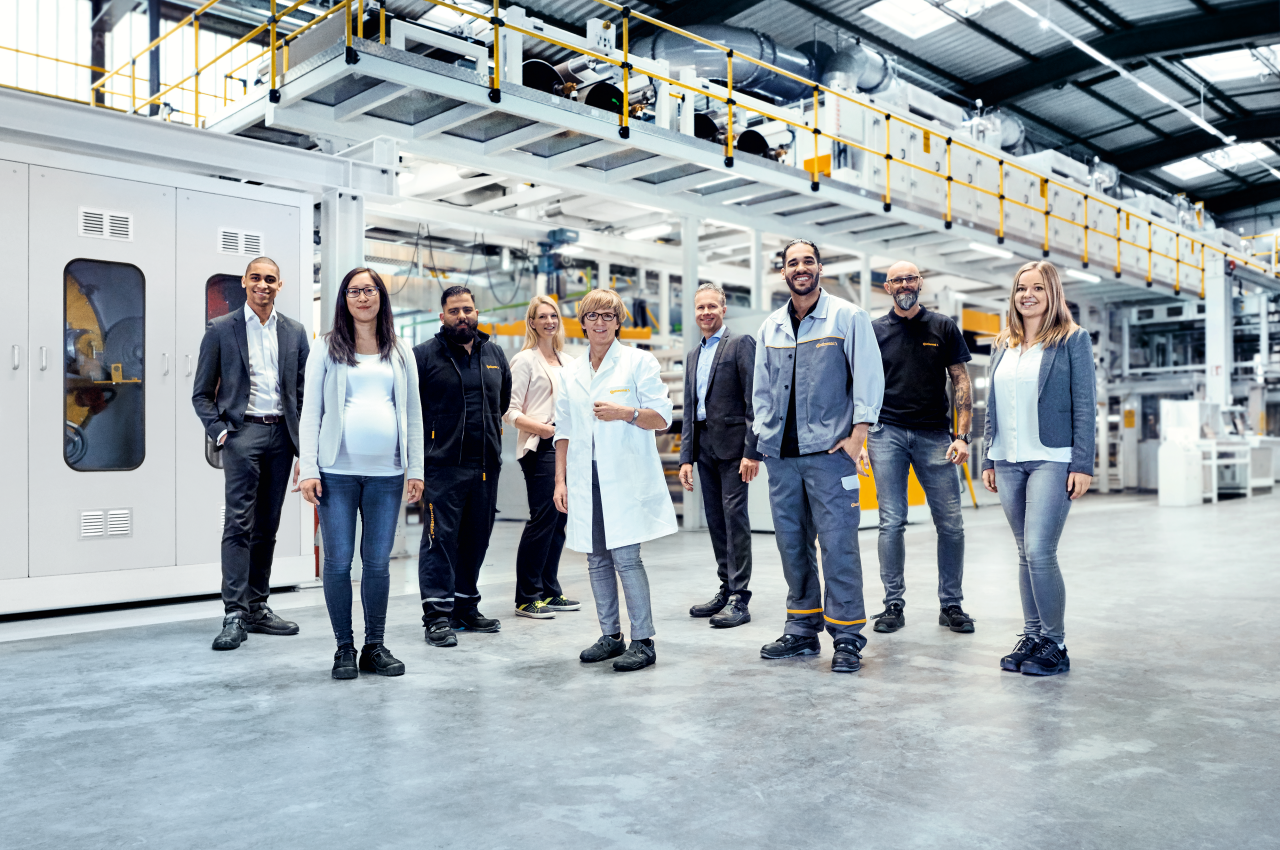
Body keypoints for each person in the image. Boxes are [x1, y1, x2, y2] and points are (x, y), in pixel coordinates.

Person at [752, 239, 884, 674]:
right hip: (782, 458)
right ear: (784, 273)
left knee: (838, 545)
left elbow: (869, 377)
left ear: (820, 268)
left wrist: (858, 435)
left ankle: (846, 636)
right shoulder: (771, 326)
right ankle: (802, 628)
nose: (801, 268)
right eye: (793, 263)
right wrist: (765, 440)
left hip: (830, 454)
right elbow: (761, 392)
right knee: (792, 545)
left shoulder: (847, 317)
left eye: (808, 260)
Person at [297, 268, 424, 679]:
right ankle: (343, 648)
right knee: (336, 563)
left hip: (387, 474)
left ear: (381, 297)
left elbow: (414, 415)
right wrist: (309, 468)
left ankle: (375, 645)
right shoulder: (327, 347)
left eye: (369, 290)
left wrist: (415, 469)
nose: (362, 297)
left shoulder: (400, 350)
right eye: (354, 291)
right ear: (344, 299)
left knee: (378, 565)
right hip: (336, 472)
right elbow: (310, 411)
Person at [980, 261, 1095, 677]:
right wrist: (989, 456)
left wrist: (1083, 464)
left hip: (1052, 456)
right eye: (1020, 289)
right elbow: (991, 404)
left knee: (1039, 551)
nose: (1027, 295)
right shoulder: (1003, 343)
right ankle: (1032, 635)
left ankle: (1055, 643)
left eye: (1037, 289)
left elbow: (1085, 405)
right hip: (1008, 459)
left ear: (1053, 294)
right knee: (1023, 553)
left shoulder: (1071, 340)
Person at [553, 289, 677, 672]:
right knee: (595, 558)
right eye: (593, 316)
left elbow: (663, 417)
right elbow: (564, 430)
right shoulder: (571, 370)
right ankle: (611, 635)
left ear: (619, 321)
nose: (600, 322)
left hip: (625, 476)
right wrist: (560, 481)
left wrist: (627, 413)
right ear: (583, 322)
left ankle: (643, 640)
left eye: (608, 315)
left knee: (626, 558)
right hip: (584, 474)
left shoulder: (639, 362)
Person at [193, 256, 310, 652]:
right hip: (243, 436)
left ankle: (258, 607)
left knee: (268, 526)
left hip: (282, 437)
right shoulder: (221, 330)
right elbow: (201, 394)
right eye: (256, 278)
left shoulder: (294, 332)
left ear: (281, 285)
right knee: (239, 524)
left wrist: (303, 447)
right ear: (244, 282)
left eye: (271, 279)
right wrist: (223, 433)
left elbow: (302, 391)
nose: (263, 284)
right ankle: (234, 613)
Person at [862, 261, 976, 635]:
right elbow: (860, 386)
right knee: (891, 522)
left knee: (952, 524)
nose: (904, 284)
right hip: (887, 434)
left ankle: (951, 604)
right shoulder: (874, 331)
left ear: (921, 283)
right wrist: (860, 437)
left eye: (911, 278)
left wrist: (962, 435)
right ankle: (893, 604)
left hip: (935, 437)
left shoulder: (942, 326)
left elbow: (961, 380)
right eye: (897, 279)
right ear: (887, 287)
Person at [414, 285, 512, 647]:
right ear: (442, 316)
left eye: (467, 310)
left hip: (486, 465)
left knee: (476, 540)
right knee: (440, 541)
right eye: (454, 311)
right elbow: (412, 411)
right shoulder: (424, 355)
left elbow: (501, 402)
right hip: (442, 467)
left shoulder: (494, 354)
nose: (462, 316)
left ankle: (466, 607)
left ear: (476, 313)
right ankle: (437, 616)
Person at [679, 282, 760, 629]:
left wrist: (752, 450)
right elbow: (689, 408)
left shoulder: (740, 344)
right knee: (715, 518)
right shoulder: (693, 355)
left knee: (734, 517)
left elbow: (756, 397)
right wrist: (685, 457)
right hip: (704, 446)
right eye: (701, 308)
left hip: (734, 445)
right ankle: (726, 587)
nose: (706, 313)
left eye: (712, 306)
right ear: (695, 312)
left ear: (723, 309)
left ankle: (740, 597)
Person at [505, 295, 579, 620]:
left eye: (554, 316)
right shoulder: (524, 360)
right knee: (543, 517)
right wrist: (543, 429)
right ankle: (526, 597)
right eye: (542, 316)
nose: (549, 321)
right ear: (532, 322)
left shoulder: (570, 361)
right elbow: (509, 411)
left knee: (560, 520)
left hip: (568, 446)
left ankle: (549, 591)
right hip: (540, 445)